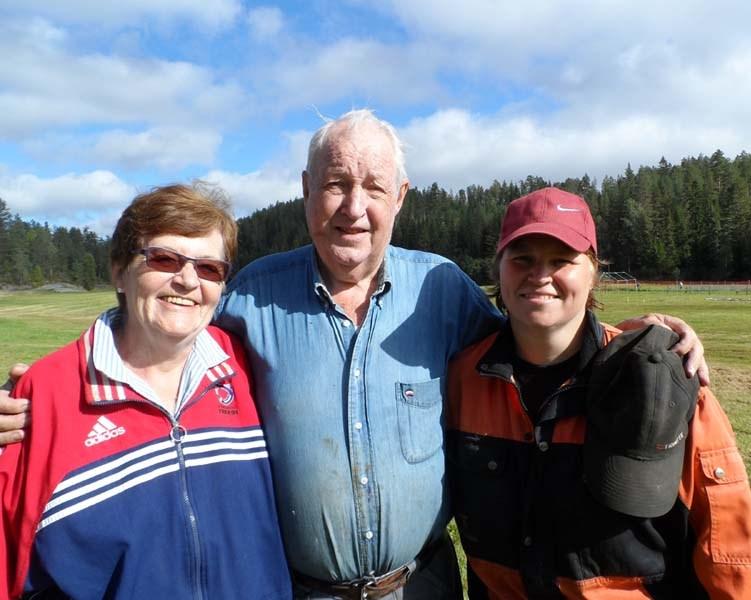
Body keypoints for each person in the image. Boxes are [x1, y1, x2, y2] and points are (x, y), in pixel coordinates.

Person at [0, 111, 708, 599]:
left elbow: (538, 337)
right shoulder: (251, 295)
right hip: (301, 588)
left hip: (425, 583)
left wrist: (638, 343)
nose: (353, 206)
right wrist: (55, 383)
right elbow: (166, 318)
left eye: (373, 186)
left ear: (399, 197)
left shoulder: (444, 289)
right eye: (335, 182)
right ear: (306, 191)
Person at [446, 187, 751, 598]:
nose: (540, 275)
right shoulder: (461, 379)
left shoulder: (661, 378)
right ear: (498, 268)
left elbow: (733, 545)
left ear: (593, 272)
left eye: (562, 260)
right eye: (523, 259)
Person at [0, 184, 292, 599]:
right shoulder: (42, 396)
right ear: (119, 271)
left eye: (209, 268)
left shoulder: (245, 368)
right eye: (164, 259)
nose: (188, 280)